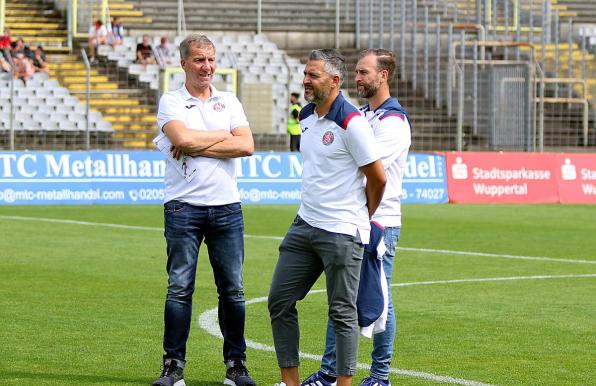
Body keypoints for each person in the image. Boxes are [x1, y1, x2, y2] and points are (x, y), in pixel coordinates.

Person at [268, 49, 387, 386]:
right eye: (305, 74)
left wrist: (364, 215)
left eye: (313, 75)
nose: (306, 80)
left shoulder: (352, 122)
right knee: (279, 300)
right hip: (304, 225)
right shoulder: (305, 114)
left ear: (335, 81)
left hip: (342, 232)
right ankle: (291, 383)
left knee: (342, 314)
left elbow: (378, 178)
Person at [301, 49, 411, 386]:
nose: (358, 78)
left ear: (383, 76)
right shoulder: (363, 116)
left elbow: (366, 171)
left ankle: (379, 375)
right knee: (342, 300)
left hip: (379, 221)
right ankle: (332, 372)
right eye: (358, 72)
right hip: (353, 219)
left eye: (364, 72)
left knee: (379, 301)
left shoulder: (393, 121)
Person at [153, 33, 256, 386]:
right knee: (179, 288)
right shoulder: (171, 101)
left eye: (211, 59)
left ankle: (236, 366)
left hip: (227, 208)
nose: (207, 66)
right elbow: (181, 140)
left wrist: (198, 142)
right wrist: (220, 139)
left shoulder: (229, 101)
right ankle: (173, 367)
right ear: (183, 63)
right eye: (199, 59)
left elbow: (246, 146)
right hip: (183, 208)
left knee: (233, 290)